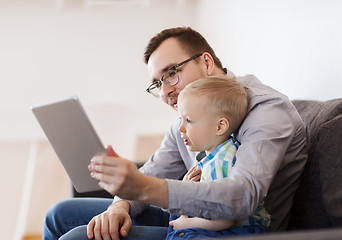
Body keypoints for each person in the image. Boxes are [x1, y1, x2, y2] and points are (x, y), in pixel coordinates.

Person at [43, 27, 307, 240]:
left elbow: (243, 196)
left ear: (206, 62)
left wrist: (145, 188)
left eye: (171, 73)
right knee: (58, 214)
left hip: (232, 231)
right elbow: (154, 170)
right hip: (193, 218)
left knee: (78, 237)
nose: (166, 90)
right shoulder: (184, 116)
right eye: (157, 84)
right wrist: (120, 205)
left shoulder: (265, 109)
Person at [166, 75, 271, 240]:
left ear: (220, 126)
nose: (180, 128)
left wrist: (188, 223)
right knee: (176, 215)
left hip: (239, 232)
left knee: (180, 234)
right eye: (181, 119)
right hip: (223, 226)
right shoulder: (216, 155)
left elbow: (225, 219)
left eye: (189, 120)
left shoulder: (221, 161)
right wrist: (187, 189)